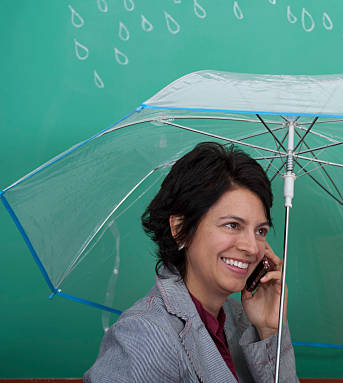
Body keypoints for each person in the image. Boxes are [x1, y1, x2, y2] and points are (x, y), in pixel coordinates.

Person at [85, 142, 299, 382]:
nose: (251, 247)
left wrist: (270, 330)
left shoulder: (244, 321)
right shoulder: (144, 334)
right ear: (180, 229)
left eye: (260, 231)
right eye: (232, 225)